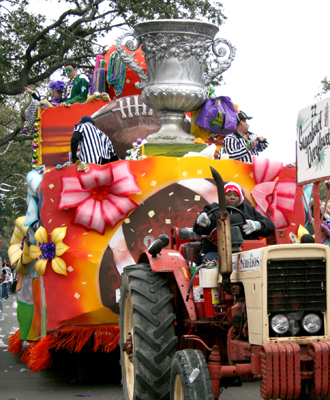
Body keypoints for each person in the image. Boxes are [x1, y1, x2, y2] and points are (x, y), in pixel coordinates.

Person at [193, 181, 275, 262]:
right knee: (210, 263)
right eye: (228, 195)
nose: (232, 197)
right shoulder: (211, 209)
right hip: (215, 250)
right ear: (222, 197)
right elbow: (197, 229)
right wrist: (201, 223)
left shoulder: (249, 209)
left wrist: (257, 225)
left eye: (236, 195)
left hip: (247, 251)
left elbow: (270, 225)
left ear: (240, 197)